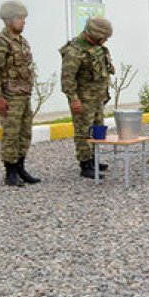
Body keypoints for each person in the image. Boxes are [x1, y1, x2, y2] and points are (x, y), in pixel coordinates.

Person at [0, 1, 39, 186]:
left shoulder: (22, 42)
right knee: (11, 134)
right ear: (8, 20)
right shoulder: (0, 42)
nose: (23, 22)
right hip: (9, 96)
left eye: (24, 19)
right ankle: (10, 172)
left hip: (23, 95)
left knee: (24, 133)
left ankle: (21, 167)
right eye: (20, 18)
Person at [60, 16, 115, 179]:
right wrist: (73, 99)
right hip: (83, 101)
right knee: (83, 132)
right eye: (103, 37)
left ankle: (95, 159)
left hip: (97, 99)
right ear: (95, 34)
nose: (105, 41)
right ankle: (85, 164)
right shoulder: (75, 50)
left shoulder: (97, 47)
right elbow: (67, 78)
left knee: (98, 130)